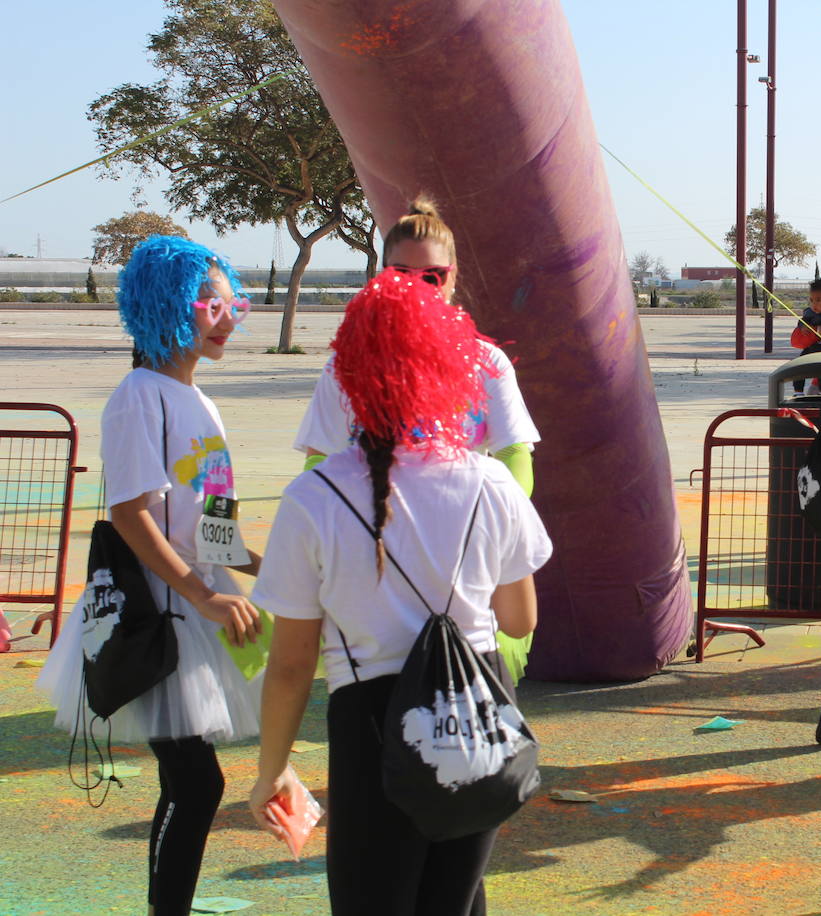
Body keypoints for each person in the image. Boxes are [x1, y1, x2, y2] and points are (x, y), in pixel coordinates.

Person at [249, 269, 552, 915]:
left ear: (350, 375)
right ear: (450, 367)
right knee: (458, 899)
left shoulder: (314, 496)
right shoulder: (492, 482)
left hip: (370, 719)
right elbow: (520, 618)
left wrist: (271, 769)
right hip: (474, 713)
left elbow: (293, 661)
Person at [37, 235, 263, 916]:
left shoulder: (204, 404)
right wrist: (201, 593)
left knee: (195, 784)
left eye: (234, 305)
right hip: (161, 616)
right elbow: (131, 513)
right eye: (212, 304)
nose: (227, 318)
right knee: (195, 783)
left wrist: (264, 568)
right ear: (167, 306)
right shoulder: (139, 395)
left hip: (199, 610)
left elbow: (213, 527)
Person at [295, 197, 539, 498]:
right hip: (371, 533)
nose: (417, 288)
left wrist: (503, 521)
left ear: (452, 277)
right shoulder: (346, 366)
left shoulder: (486, 363)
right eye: (401, 275)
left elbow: (514, 452)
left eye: (431, 276)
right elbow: (320, 459)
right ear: (384, 277)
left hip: (459, 533)